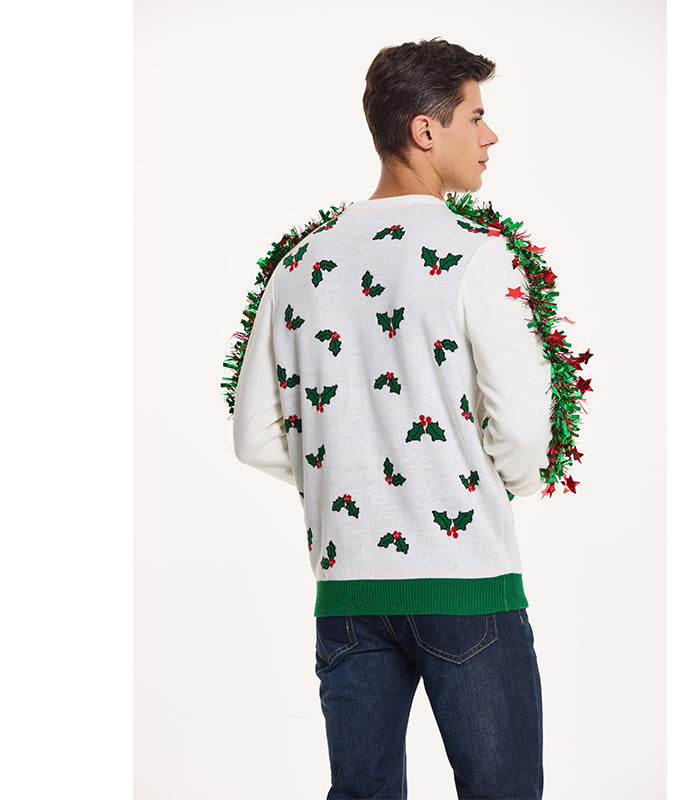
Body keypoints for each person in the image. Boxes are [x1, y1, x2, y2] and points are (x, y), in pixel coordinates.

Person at [232, 37, 552, 800]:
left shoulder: (299, 265)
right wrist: (488, 481)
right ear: (425, 129)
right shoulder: (476, 254)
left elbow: (255, 435)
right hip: (465, 584)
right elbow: (525, 433)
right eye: (476, 116)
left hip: (349, 591)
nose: (491, 135)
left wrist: (349, 468)